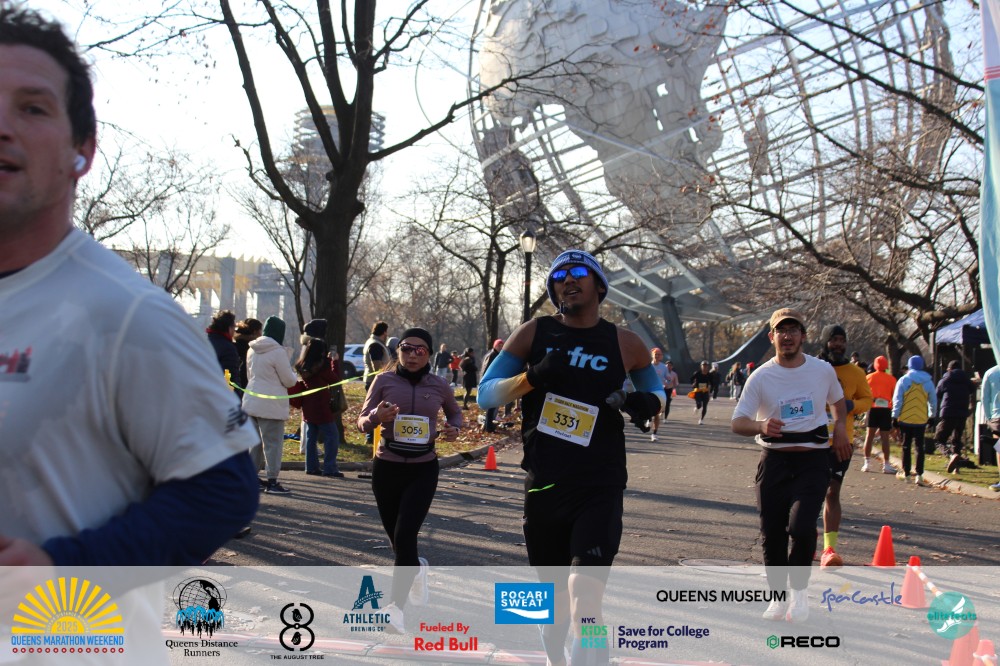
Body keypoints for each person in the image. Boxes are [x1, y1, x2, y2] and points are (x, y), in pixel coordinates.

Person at [0, 0, 259, 584]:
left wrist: (62, 570)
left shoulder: (129, 315)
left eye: (32, 107)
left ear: (83, 151)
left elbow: (223, 492)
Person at [478, 250, 664, 666]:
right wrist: (533, 376)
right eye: (559, 275)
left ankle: (593, 657)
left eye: (578, 272)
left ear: (599, 285)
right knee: (555, 603)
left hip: (600, 482)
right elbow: (485, 395)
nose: (568, 279)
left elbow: (657, 392)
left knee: (586, 595)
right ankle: (557, 656)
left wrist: (645, 402)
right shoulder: (533, 333)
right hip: (545, 481)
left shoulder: (625, 342)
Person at [731, 308, 851, 623]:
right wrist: (760, 426)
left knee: (801, 527)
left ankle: (798, 593)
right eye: (781, 331)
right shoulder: (761, 376)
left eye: (793, 330)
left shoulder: (822, 370)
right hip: (774, 461)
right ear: (772, 337)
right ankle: (777, 597)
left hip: (813, 459)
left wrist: (840, 427)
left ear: (803, 336)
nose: (787, 336)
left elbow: (838, 402)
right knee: (772, 532)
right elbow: (738, 422)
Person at [358, 327, 463, 633]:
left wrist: (454, 429)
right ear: (398, 351)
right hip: (387, 467)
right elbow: (362, 421)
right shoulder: (383, 381)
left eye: (420, 350)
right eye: (406, 348)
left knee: (406, 536)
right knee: (397, 540)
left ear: (429, 354)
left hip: (423, 468)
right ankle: (415, 568)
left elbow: (455, 415)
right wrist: (377, 417)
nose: (412, 355)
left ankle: (395, 609)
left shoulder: (439, 385)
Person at [817, 324, 872, 569]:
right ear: (825, 342)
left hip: (841, 441)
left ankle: (829, 548)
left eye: (841, 340)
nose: (838, 345)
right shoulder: (811, 368)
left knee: (832, 491)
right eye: (833, 340)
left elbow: (867, 399)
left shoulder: (855, 372)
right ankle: (805, 540)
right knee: (809, 492)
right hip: (811, 438)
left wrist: (852, 406)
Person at [243, 316, 298, 494]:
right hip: (271, 405)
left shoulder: (252, 349)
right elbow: (289, 381)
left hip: (251, 400)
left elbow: (250, 375)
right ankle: (272, 481)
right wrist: (294, 374)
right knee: (273, 444)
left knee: (255, 444)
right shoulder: (278, 352)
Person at [290, 336, 344, 478]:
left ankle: (311, 467)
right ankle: (330, 468)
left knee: (311, 437)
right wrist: (334, 361)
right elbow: (335, 380)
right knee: (332, 436)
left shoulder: (302, 365)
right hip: (321, 406)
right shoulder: (322, 366)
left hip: (307, 405)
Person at [891, 355, 937, 485]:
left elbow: (897, 400)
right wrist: (932, 416)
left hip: (905, 418)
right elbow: (933, 401)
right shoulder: (928, 381)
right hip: (921, 419)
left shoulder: (904, 380)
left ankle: (906, 474)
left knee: (906, 446)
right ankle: (919, 475)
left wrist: (894, 416)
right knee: (919, 447)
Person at [935, 360, 976, 474]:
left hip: (948, 412)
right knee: (956, 440)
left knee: (939, 440)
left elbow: (938, 393)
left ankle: (951, 455)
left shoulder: (945, 379)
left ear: (949, 369)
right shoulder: (966, 379)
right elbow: (973, 389)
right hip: (962, 413)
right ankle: (956, 468)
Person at [861, 355, 899, 475]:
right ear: (886, 366)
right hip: (886, 409)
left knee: (869, 436)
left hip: (872, 408)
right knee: (885, 438)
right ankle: (886, 465)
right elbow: (894, 395)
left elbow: (864, 392)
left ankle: (867, 463)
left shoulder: (868, 377)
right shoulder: (891, 379)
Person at [363, 321, 391, 446]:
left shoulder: (373, 342)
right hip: (375, 382)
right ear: (384, 332)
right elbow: (377, 366)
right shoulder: (375, 345)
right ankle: (370, 437)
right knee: (375, 409)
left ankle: (372, 436)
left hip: (373, 380)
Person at [648, 348, 677, 441]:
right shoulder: (648, 366)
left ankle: (654, 434)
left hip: (659, 390)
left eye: (659, 354)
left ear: (661, 356)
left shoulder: (663, 367)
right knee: (648, 408)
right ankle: (648, 419)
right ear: (652, 355)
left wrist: (667, 380)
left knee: (657, 412)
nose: (657, 356)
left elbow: (667, 377)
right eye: (655, 354)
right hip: (649, 390)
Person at [980, 365, 1000, 491]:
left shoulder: (990, 372)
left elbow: (985, 398)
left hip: (997, 416)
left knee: (999, 448)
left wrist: (988, 418)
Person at [207, 310, 239, 384]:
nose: (234, 331)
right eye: (234, 327)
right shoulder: (228, 348)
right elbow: (230, 378)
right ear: (229, 328)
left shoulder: (204, 343)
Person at [234, 317, 263, 399]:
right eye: (260, 331)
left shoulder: (234, 345)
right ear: (255, 332)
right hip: (246, 391)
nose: (261, 334)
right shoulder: (253, 349)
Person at [482, 338, 505, 432]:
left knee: (493, 405)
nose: (500, 347)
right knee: (491, 406)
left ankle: (489, 425)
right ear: (495, 346)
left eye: (502, 345)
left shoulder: (499, 355)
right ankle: (488, 427)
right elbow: (486, 369)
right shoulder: (492, 355)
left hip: (496, 381)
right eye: (499, 345)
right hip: (490, 382)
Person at [690, 360, 714, 425]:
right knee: (699, 404)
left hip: (705, 391)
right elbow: (691, 379)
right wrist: (693, 384)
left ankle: (701, 419)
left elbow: (712, 383)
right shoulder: (697, 373)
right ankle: (697, 407)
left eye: (706, 366)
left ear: (708, 367)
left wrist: (710, 391)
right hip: (698, 390)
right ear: (701, 366)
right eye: (703, 365)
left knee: (705, 406)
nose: (705, 367)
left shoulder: (709, 374)